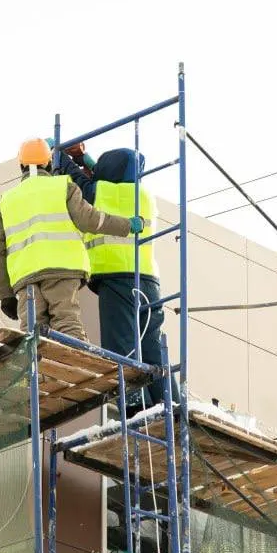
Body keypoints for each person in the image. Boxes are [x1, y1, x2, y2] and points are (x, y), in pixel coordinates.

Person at [53, 143, 177, 411]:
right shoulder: (140, 194)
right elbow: (100, 177)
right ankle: (172, 404)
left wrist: (59, 158)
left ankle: (134, 407)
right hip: (148, 283)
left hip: (118, 281)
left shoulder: (106, 193)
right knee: (152, 349)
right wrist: (83, 159)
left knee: (122, 345)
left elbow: (79, 185)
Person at [0, 138, 145, 340]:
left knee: (32, 332)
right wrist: (128, 225)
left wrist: (4, 295)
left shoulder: (6, 201)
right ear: (49, 163)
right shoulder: (64, 187)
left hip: (26, 278)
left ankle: (42, 372)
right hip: (61, 270)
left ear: (21, 166)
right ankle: (75, 368)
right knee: (67, 323)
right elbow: (91, 220)